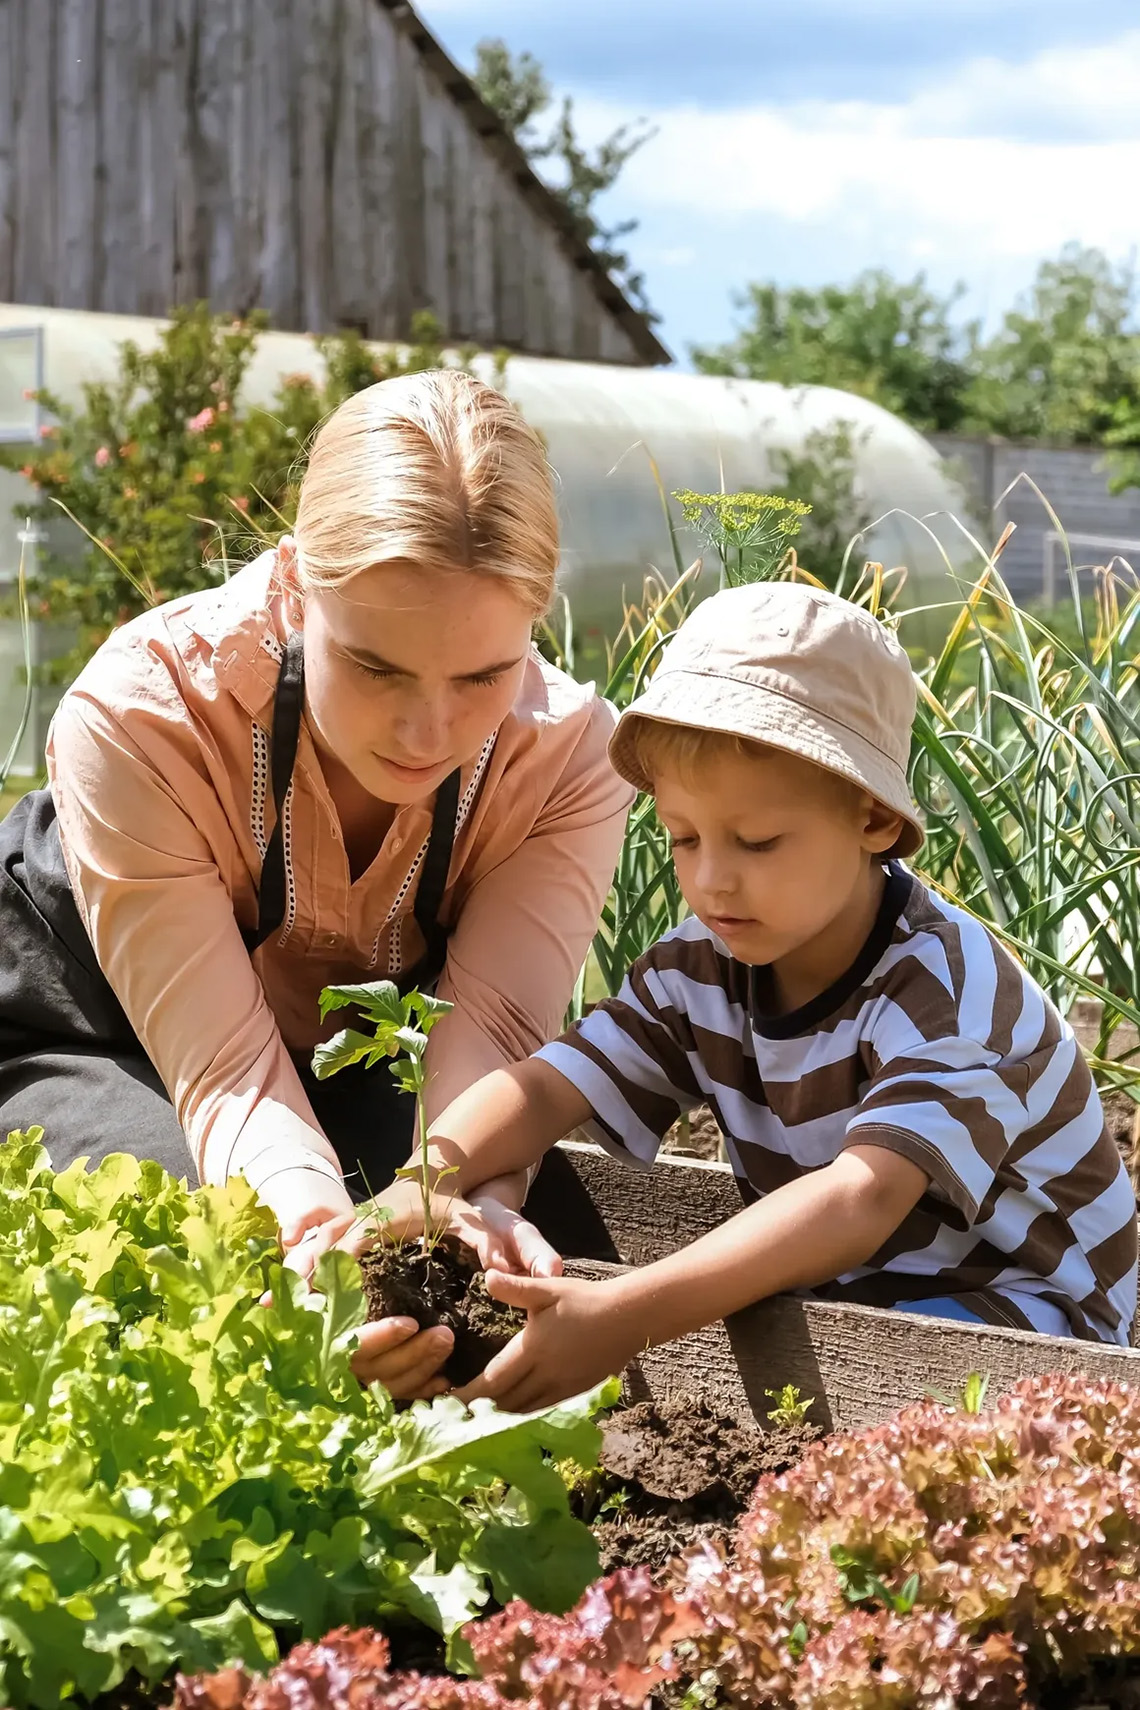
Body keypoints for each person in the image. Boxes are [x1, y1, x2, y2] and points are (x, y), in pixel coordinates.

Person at [351, 580, 1139, 1412]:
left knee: (858, 1401)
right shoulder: (703, 969)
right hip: (855, 1291)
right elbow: (548, 1086)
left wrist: (626, 1317)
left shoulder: (946, 996)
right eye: (683, 837)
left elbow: (861, 1197)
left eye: (757, 841)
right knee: (787, 1362)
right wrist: (421, 1184)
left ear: (872, 820)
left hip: (1031, 1325)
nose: (712, 879)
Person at [0, 369, 629, 1397]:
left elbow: (498, 1029)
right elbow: (226, 1073)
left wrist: (451, 1200)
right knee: (209, 1250)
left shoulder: (566, 760)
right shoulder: (145, 715)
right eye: (377, 667)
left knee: (493, 1257)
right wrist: (309, 1238)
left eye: (481, 677)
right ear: (295, 586)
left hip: (335, 1064)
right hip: (93, 1031)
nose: (431, 731)